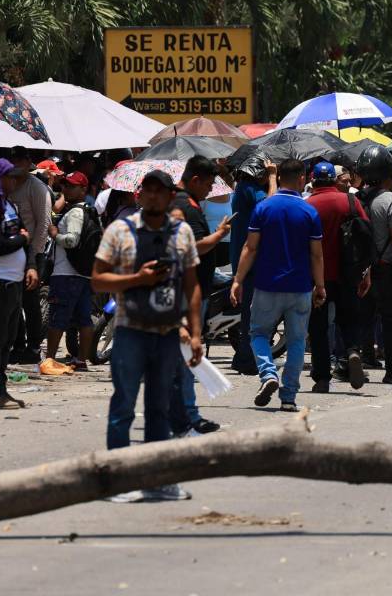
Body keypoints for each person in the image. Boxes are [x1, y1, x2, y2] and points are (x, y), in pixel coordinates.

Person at [93, 170, 202, 501]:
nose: (153, 196)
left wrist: (195, 333)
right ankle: (119, 479)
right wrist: (137, 280)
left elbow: (192, 285)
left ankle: (157, 480)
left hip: (168, 333)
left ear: (171, 197)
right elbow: (98, 280)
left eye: (160, 191)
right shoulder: (119, 231)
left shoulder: (182, 233)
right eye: (148, 190)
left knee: (160, 407)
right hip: (130, 332)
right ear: (139, 196)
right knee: (123, 404)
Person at [230, 159, 325, 412]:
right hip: (300, 287)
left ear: (278, 176)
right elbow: (316, 255)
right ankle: (289, 397)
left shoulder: (264, 208)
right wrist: (321, 286)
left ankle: (268, 374)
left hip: (266, 285)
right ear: (303, 178)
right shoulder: (309, 212)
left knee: (258, 334)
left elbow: (250, 247)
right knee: (296, 342)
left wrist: (238, 279)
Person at [168, 156, 230, 435]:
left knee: (184, 357)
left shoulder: (185, 203)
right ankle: (186, 417)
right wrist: (219, 235)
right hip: (186, 292)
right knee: (186, 357)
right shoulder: (185, 207)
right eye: (207, 184)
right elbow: (193, 246)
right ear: (194, 180)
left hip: (188, 289)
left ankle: (184, 414)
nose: (209, 190)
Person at [306, 161, 372, 392]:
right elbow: (365, 238)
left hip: (317, 278)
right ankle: (353, 351)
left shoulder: (308, 205)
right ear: (336, 180)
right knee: (349, 319)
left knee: (318, 328)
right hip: (349, 273)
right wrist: (366, 273)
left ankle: (322, 377)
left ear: (313, 180)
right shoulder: (351, 202)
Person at [357, 146, 392, 384]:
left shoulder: (356, 199)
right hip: (386, 269)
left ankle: (363, 358)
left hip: (361, 270)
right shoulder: (391, 199)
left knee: (364, 317)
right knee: (391, 320)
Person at [0, 159, 31, 410]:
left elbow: (24, 233)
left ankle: (0, 388)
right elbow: (1, 246)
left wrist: (31, 265)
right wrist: (22, 240)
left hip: (13, 281)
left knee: (8, 339)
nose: (13, 181)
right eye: (8, 177)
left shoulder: (9, 205)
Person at [44, 171, 97, 373]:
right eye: (65, 185)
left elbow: (72, 241)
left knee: (57, 316)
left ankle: (49, 360)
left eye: (72, 186)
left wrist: (55, 234)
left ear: (83, 189)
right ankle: (81, 360)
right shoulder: (87, 210)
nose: (66, 189)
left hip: (66, 274)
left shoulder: (75, 212)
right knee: (84, 318)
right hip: (83, 274)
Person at [228, 155, 277, 374]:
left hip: (249, 257)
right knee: (253, 310)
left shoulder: (243, 188)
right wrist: (274, 178)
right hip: (250, 259)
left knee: (254, 310)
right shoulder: (248, 188)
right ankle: (247, 359)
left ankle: (245, 357)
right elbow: (270, 205)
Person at [4, 147, 51, 365]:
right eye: (12, 160)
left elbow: (43, 223)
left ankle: (33, 346)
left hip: (33, 251)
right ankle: (18, 344)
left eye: (19, 160)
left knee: (30, 302)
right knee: (13, 300)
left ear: (28, 162)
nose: (16, 164)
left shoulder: (37, 187)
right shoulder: (7, 186)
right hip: (11, 249)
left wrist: (35, 255)